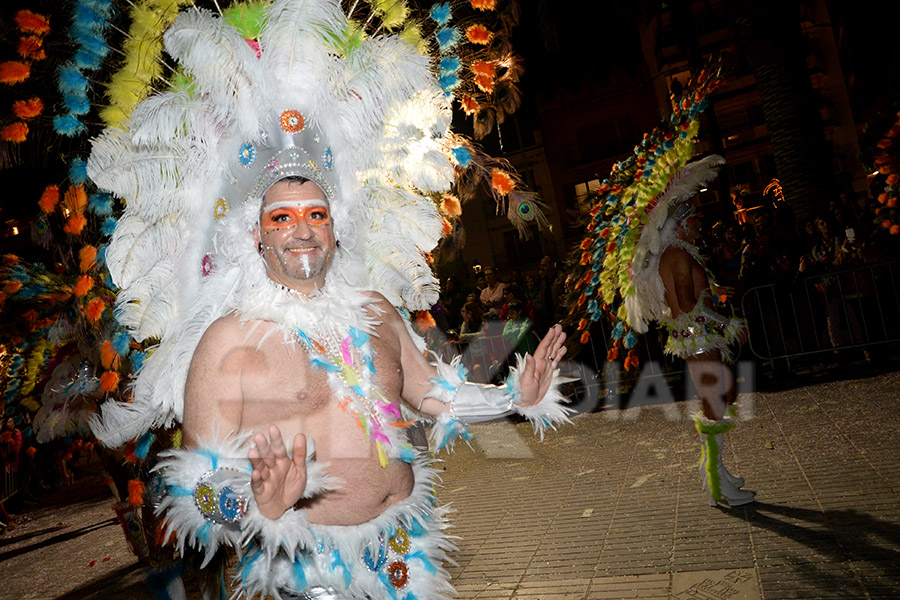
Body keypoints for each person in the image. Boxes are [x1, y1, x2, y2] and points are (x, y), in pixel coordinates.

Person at [86, 2, 572, 598]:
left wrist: (511, 398)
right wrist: (256, 503)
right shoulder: (227, 340)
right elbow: (195, 488)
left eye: (317, 214)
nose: (302, 228)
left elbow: (433, 396)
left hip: (407, 553)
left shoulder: (376, 311)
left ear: (336, 228)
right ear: (256, 235)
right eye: (282, 217)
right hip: (308, 573)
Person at [628, 156, 755, 507]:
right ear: (682, 225)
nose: (700, 224)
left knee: (720, 397)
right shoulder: (678, 256)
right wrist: (724, 324)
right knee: (718, 400)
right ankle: (716, 483)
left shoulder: (676, 253)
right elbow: (684, 302)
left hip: (696, 339)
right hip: (698, 339)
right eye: (695, 219)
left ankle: (715, 469)